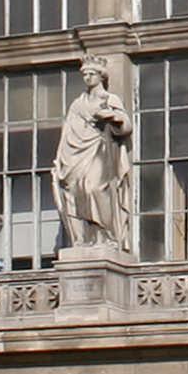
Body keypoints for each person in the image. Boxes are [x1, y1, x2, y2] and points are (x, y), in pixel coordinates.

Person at [51, 59, 132, 252]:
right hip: (75, 153)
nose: (87, 77)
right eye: (85, 74)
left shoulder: (109, 99)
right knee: (74, 193)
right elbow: (67, 131)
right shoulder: (77, 104)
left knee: (95, 188)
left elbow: (126, 125)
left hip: (98, 148)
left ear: (100, 76)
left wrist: (112, 117)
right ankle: (82, 239)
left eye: (91, 74)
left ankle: (108, 236)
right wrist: (60, 158)